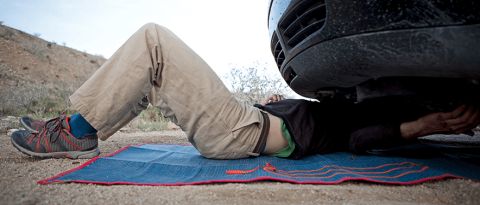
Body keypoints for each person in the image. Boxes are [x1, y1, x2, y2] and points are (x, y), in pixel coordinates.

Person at [10, 23, 480, 160]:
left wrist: (423, 126)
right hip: (242, 121)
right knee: (152, 77)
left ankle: (75, 132)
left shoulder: (356, 121)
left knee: (154, 40)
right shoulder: (337, 103)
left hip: (242, 132)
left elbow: (360, 140)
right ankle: (78, 128)